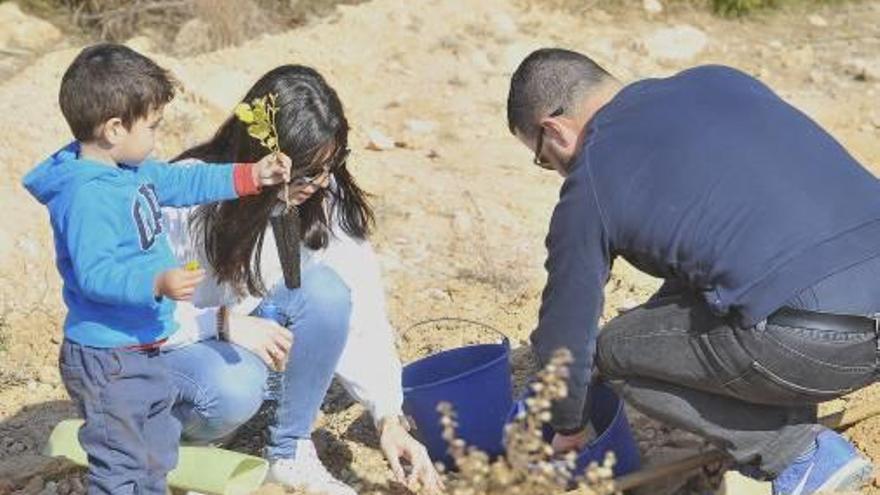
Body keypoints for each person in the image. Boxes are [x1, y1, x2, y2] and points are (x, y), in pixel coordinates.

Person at [506, 48, 879, 495]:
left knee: (616, 351)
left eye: (543, 159)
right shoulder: (721, 79)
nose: (553, 170)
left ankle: (798, 453)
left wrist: (568, 421)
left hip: (817, 347)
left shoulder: (593, 178)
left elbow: (568, 324)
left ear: (554, 131)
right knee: (738, 293)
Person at [160, 65, 444, 495]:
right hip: (177, 352)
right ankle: (172, 444)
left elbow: (360, 303)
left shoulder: (319, 197)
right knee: (234, 388)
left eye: (331, 165)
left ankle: (289, 450)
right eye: (308, 172)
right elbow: (139, 318)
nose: (321, 183)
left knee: (325, 292)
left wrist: (388, 415)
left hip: (247, 346)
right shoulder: (188, 196)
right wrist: (221, 324)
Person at [21, 44, 290, 495]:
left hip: (143, 343)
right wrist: (156, 281)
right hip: (108, 356)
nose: (157, 137)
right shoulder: (87, 196)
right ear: (113, 128)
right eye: (152, 126)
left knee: (156, 448)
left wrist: (251, 176)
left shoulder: (132, 169)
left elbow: (185, 181)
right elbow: (96, 274)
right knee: (120, 462)